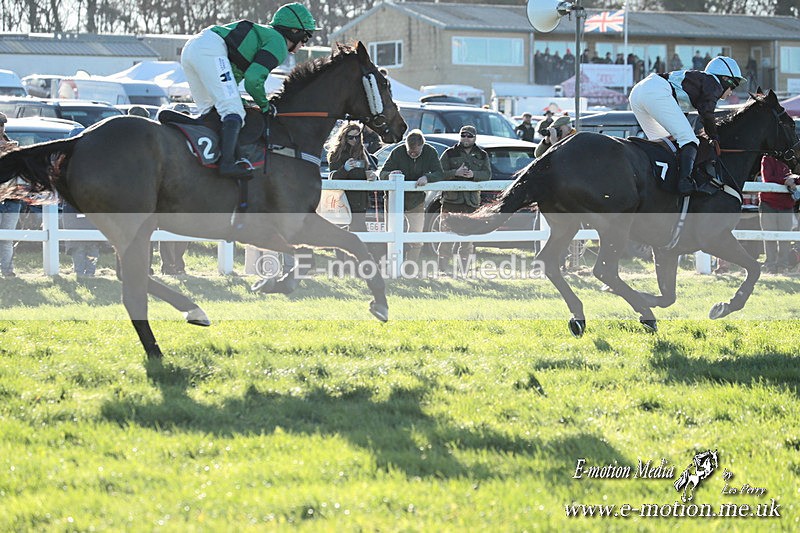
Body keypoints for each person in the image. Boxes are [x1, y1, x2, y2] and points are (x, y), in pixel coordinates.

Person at [181, 2, 318, 179]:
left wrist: (243, 101)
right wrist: (265, 106)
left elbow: (233, 83)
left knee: (211, 111)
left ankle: (177, 123)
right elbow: (253, 81)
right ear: (294, 32)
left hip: (193, 47)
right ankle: (227, 163)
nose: (304, 45)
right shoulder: (278, 43)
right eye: (306, 38)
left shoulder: (266, 36)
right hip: (209, 48)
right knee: (233, 110)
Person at [629, 56, 745, 195]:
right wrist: (715, 137)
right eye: (734, 85)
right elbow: (707, 114)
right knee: (689, 140)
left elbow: (681, 118)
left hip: (637, 92)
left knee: (664, 146)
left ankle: (653, 183)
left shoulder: (697, 84)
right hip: (654, 90)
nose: (731, 91)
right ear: (725, 79)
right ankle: (685, 182)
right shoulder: (714, 84)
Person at [379, 129, 443, 265]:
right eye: (410, 152)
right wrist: (391, 174)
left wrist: (428, 177)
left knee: (416, 234)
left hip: (416, 199)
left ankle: (410, 266)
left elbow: (439, 173)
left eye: (416, 152)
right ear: (406, 146)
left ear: (422, 146)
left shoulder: (430, 152)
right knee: (391, 232)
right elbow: (382, 173)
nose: (413, 154)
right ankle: (392, 264)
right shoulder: (397, 152)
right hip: (394, 200)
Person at [438, 125, 491, 271]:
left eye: (469, 136)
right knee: (446, 235)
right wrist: (456, 172)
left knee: (468, 238)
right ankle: (443, 267)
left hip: (471, 201)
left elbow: (487, 174)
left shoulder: (482, 154)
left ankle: (464, 269)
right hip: (451, 201)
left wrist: (474, 175)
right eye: (463, 135)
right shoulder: (449, 153)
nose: (466, 138)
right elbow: (439, 173)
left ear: (475, 138)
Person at [326, 122, 379, 257]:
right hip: (342, 202)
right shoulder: (335, 154)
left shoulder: (362, 153)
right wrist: (344, 169)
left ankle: (362, 262)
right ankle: (340, 264)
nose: (354, 140)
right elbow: (333, 179)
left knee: (360, 232)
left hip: (359, 201)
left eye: (357, 137)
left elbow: (367, 171)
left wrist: (371, 176)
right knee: (340, 233)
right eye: (351, 137)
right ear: (344, 137)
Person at [759, 155, 798, 274]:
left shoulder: (791, 158)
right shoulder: (767, 159)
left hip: (787, 205)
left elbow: (796, 176)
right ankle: (770, 265)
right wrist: (785, 181)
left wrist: (794, 180)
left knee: (785, 237)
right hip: (768, 203)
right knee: (769, 235)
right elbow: (768, 179)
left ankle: (783, 265)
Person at [0, 112, 22, 278]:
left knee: (7, 236)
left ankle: (7, 270)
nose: (0, 128)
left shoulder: (12, 146)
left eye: (2, 125)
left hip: (11, 198)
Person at [62, 202, 100, 278]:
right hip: (78, 227)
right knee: (79, 249)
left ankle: (89, 273)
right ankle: (80, 273)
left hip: (91, 228)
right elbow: (68, 216)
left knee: (91, 250)